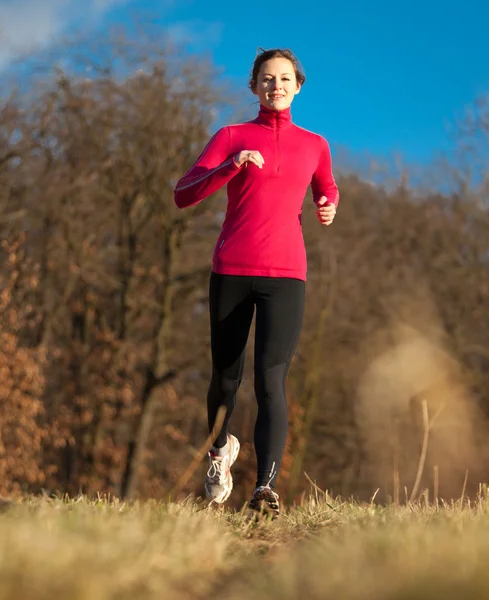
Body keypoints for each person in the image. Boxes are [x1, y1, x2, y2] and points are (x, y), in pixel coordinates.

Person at [173, 47, 339, 518]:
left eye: (285, 79)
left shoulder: (315, 144)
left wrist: (328, 203)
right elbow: (183, 194)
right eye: (267, 79)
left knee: (272, 382)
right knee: (225, 377)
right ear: (253, 88)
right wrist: (231, 165)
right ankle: (219, 455)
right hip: (231, 269)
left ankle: (265, 489)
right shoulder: (231, 135)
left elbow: (326, 186)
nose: (276, 86)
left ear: (298, 86)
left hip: (286, 277)